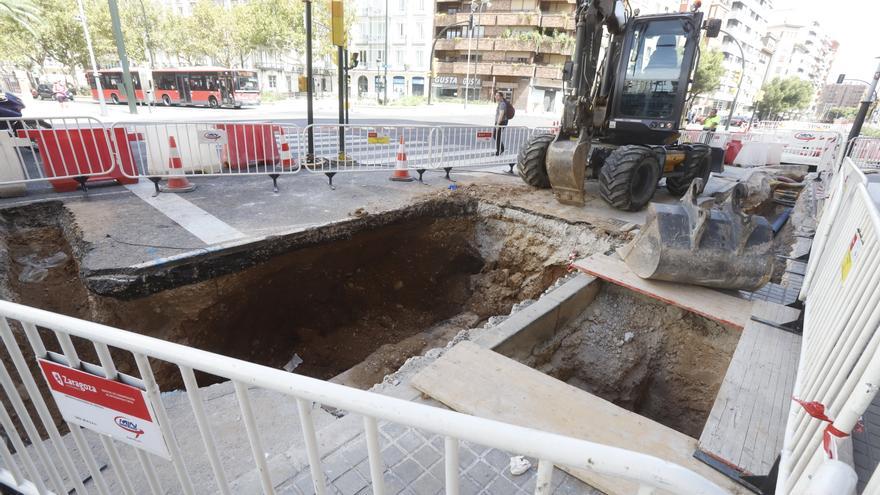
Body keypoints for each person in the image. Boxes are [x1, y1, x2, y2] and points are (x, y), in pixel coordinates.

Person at [494, 91, 509, 156]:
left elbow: (501, 114)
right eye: (495, 95)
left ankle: (499, 150)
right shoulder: (500, 103)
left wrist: (498, 124)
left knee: (497, 136)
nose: (495, 96)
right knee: (496, 136)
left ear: (501, 97)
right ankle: (501, 149)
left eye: (497, 95)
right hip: (500, 122)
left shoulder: (502, 104)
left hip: (501, 122)